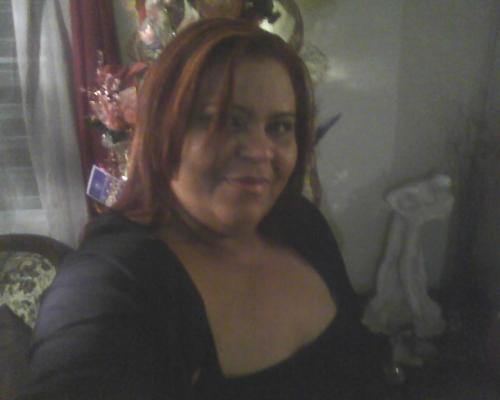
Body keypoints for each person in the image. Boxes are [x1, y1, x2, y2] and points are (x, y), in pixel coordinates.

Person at [20, 18, 389, 400]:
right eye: (226, 121)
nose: (259, 151)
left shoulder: (302, 224)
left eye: (279, 127)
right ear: (163, 130)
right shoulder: (111, 281)